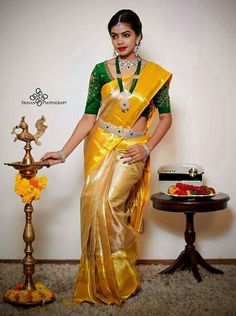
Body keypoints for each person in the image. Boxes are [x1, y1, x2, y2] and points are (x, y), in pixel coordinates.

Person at [42, 9, 172, 305]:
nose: (119, 41)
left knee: (113, 204)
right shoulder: (100, 71)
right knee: (92, 203)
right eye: (114, 36)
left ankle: (122, 278)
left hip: (132, 147)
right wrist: (63, 152)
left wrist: (147, 147)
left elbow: (165, 119)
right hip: (100, 144)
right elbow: (89, 117)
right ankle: (97, 280)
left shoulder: (156, 76)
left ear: (139, 36)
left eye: (125, 34)